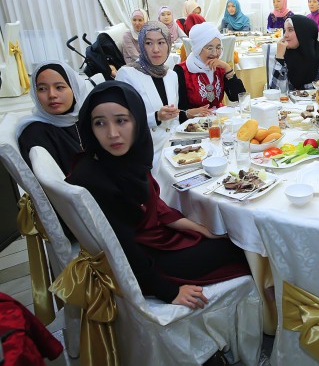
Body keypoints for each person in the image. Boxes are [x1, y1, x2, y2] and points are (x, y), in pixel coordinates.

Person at [66, 81, 249, 308]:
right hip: (147, 263)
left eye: (121, 121)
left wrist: (202, 230)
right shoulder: (93, 178)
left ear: (137, 121)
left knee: (227, 236)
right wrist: (168, 291)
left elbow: (157, 209)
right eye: (100, 123)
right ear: (89, 127)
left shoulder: (125, 160)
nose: (112, 133)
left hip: (157, 241)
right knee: (242, 248)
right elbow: (122, 247)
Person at [116, 21, 182, 169]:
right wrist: (156, 117)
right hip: (145, 152)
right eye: (148, 43)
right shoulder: (127, 74)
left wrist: (179, 144)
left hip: (173, 148)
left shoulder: (171, 75)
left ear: (169, 44)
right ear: (140, 45)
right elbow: (121, 122)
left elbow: (174, 120)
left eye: (161, 42)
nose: (156, 49)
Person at [16, 61, 88, 174]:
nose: (52, 95)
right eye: (42, 89)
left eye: (59, 87)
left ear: (75, 89)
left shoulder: (85, 120)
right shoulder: (35, 134)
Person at [174, 22, 245, 113]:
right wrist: (193, 112)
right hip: (194, 120)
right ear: (198, 49)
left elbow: (238, 97)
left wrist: (228, 68)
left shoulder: (219, 67)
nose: (215, 54)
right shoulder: (182, 70)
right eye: (210, 48)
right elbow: (179, 108)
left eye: (218, 48)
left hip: (218, 117)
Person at [270, 15, 319, 90]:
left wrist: (301, 91)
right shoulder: (283, 51)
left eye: (290, 30)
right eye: (285, 30)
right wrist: (279, 58)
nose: (285, 35)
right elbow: (275, 90)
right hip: (290, 98)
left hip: (317, 97)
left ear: (302, 32)